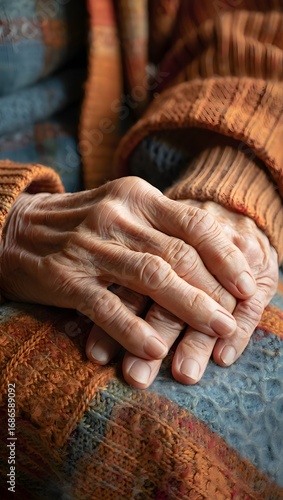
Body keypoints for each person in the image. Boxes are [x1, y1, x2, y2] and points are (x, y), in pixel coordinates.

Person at [0, 0, 282, 498]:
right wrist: (12, 221)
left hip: (168, 172)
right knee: (151, 443)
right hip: (23, 243)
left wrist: (237, 177)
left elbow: (256, 21)